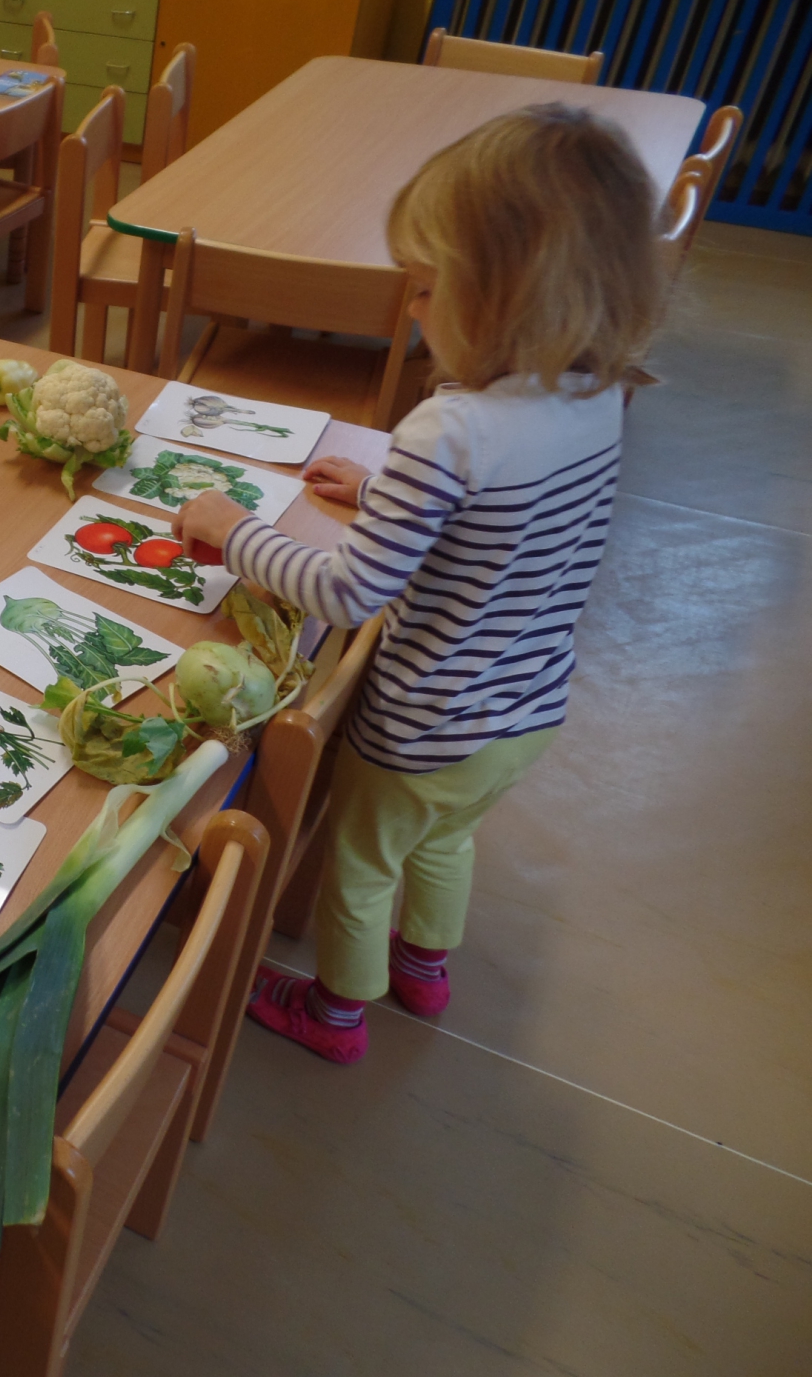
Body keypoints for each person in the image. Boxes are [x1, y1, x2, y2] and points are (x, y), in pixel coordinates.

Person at [170, 103, 666, 1065]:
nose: (411, 309)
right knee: (445, 842)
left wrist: (236, 535)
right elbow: (509, 524)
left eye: (430, 288)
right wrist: (384, 493)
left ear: (505, 298)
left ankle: (336, 1015)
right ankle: (426, 967)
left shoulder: (451, 430)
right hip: (527, 712)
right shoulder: (601, 390)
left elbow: (348, 592)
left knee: (361, 869)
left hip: (421, 727)